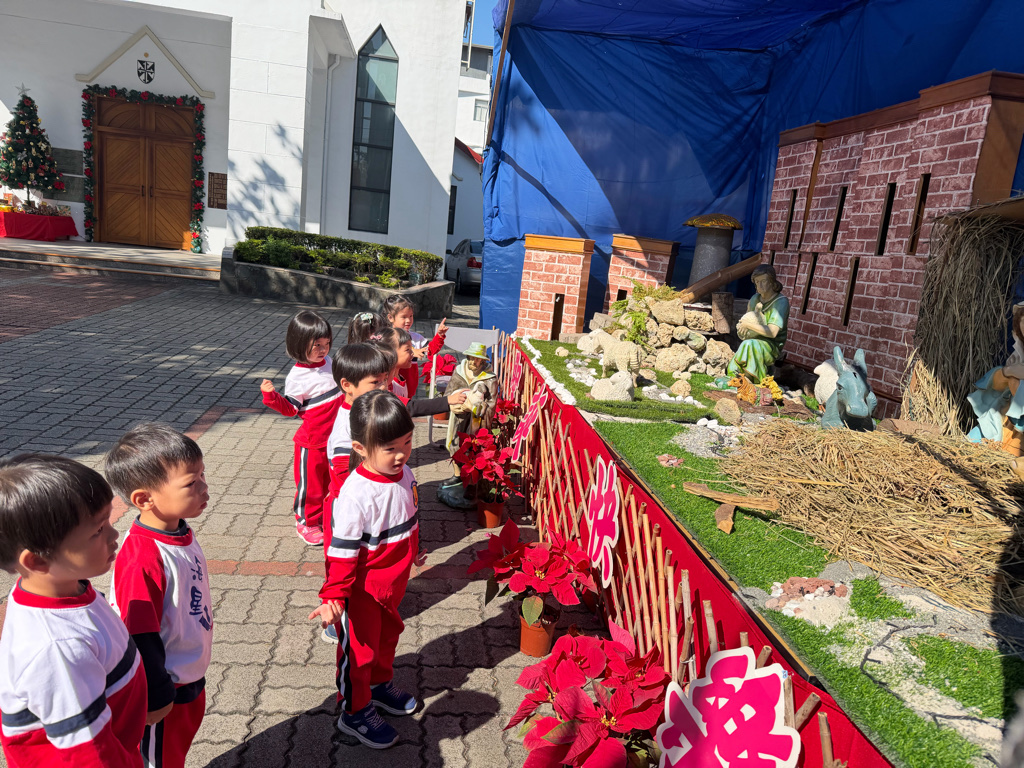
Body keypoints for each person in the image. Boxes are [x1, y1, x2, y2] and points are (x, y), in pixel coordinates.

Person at [0, 454, 148, 768]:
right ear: (38, 561)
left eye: (108, 521)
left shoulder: (63, 588)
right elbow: (89, 755)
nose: (114, 535)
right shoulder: (57, 648)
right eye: (98, 530)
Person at [312, 391, 420, 749]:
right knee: (359, 652)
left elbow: (409, 518)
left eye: (407, 442)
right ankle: (354, 711)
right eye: (390, 448)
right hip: (362, 590)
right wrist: (333, 597)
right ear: (360, 447)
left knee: (388, 637)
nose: (401, 454)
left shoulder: (405, 474)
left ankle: (378, 685)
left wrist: (415, 551)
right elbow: (341, 553)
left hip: (393, 584)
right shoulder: (355, 494)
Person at [105, 424, 213, 768]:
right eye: (191, 483)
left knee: (175, 751)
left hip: (188, 674)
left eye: (202, 475)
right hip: (165, 686)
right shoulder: (143, 556)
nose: (204, 487)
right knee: (158, 759)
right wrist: (155, 691)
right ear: (144, 499)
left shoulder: (179, 530)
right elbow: (138, 632)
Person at [260, 311, 341, 546]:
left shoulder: (330, 363)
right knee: (311, 486)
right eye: (317, 345)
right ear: (299, 344)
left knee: (333, 480)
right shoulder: (297, 377)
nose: (323, 350)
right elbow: (290, 409)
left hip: (336, 438)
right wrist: (271, 397)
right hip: (312, 443)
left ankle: (329, 515)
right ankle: (307, 522)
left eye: (327, 344)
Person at [968, 301, 1024, 444]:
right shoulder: (1018, 354)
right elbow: (997, 383)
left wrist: (1013, 378)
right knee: (969, 443)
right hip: (1003, 418)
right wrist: (1007, 372)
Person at [726, 264, 790, 384]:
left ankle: (753, 378)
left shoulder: (781, 302)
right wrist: (742, 328)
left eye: (763, 281)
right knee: (747, 343)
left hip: (771, 345)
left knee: (749, 344)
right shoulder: (755, 299)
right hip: (754, 339)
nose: (760, 285)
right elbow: (747, 319)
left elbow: (772, 332)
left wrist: (748, 325)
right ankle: (736, 375)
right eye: (757, 282)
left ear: (772, 281)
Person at [382, 295, 448, 398]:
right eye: (404, 317)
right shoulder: (387, 337)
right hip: (390, 386)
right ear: (390, 318)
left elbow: (430, 351)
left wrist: (439, 336)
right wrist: (412, 352)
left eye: (411, 316)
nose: (408, 320)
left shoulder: (416, 338)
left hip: (409, 386)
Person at [443, 342, 498, 456]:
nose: (473, 362)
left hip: (476, 419)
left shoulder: (490, 378)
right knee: (456, 442)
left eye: (477, 359)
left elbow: (491, 404)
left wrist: (480, 408)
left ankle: (472, 463)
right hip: (459, 415)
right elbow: (448, 394)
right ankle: (456, 463)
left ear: (483, 361)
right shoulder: (459, 373)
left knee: (473, 444)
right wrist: (457, 402)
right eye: (471, 358)